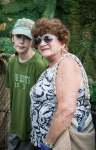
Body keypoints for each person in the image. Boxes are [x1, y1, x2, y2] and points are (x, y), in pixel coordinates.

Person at [29, 18, 95, 150]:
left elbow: (67, 110)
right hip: (47, 139)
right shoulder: (51, 66)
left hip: (60, 142)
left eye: (47, 38)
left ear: (63, 43)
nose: (42, 43)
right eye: (38, 40)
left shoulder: (66, 63)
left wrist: (47, 144)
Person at [5, 18, 48, 150]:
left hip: (32, 128)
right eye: (18, 36)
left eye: (27, 37)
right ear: (12, 37)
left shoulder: (40, 65)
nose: (22, 41)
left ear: (33, 41)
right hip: (14, 125)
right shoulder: (11, 63)